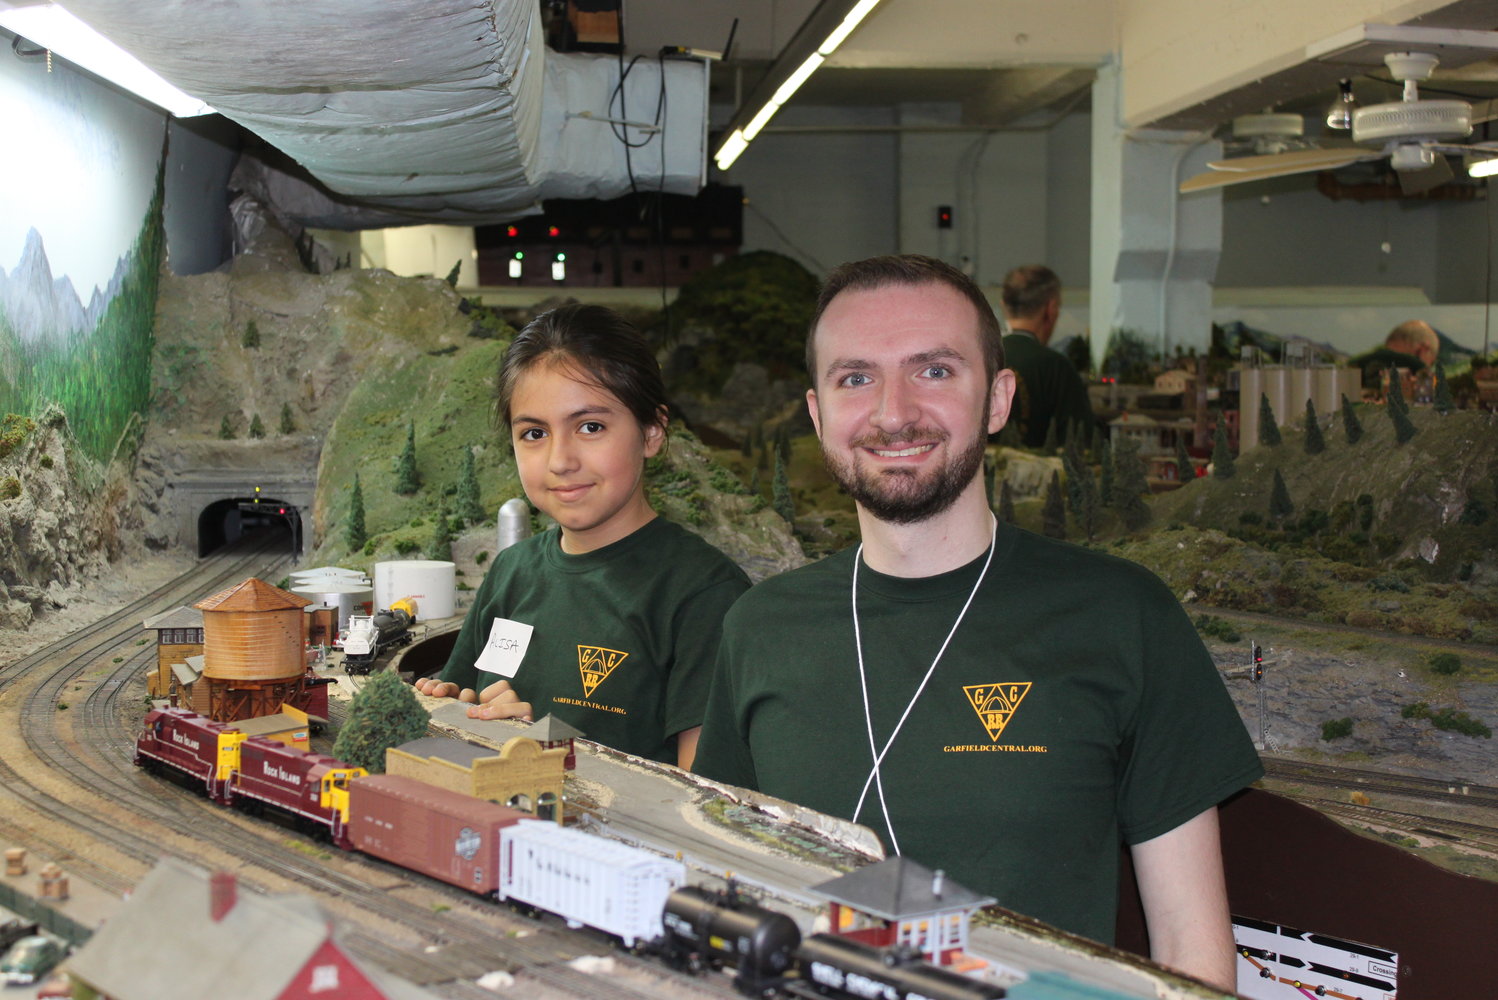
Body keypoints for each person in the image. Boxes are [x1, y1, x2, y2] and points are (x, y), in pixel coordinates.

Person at [693, 254, 1261, 991]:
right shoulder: (758, 629)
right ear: (817, 413)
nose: (894, 412)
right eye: (856, 378)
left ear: (997, 400)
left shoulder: (1121, 616)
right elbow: (723, 886)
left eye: (933, 371)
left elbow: (1192, 955)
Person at [414, 304, 750, 769]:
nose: (560, 460)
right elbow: (467, 701)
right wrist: (454, 710)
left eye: (590, 427)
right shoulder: (512, 572)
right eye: (534, 433)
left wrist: (543, 758)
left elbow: (702, 803)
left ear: (652, 431)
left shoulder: (703, 594)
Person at [998, 264, 1094, 448]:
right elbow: (1080, 442)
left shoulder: (980, 358)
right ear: (1051, 310)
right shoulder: (1057, 368)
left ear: (1003, 306)